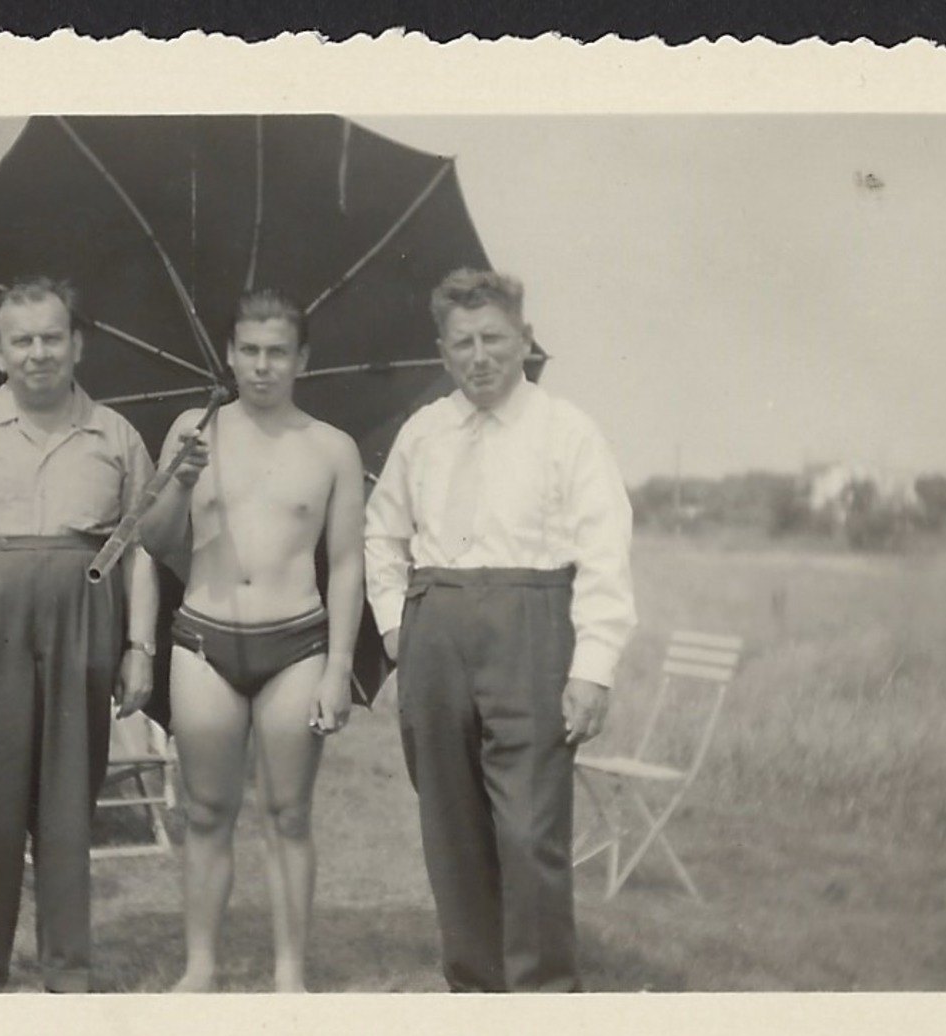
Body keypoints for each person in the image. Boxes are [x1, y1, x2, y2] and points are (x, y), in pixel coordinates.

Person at [364, 267, 636, 993]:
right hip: (435, 631)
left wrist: (593, 667)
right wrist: (397, 630)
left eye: (492, 339)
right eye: (462, 344)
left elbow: (605, 553)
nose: (478, 356)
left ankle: (543, 1001)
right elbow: (381, 535)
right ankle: (476, 997)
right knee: (451, 831)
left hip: (531, 627)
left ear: (522, 339)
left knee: (528, 832)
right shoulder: (423, 432)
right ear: (442, 352)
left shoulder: (566, 431)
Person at [0, 276, 159, 993]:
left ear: (76, 345)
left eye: (51, 337)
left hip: (82, 619)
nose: (37, 353)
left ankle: (66, 961)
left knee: (70, 790)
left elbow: (138, 549)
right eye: (22, 340)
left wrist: (140, 647)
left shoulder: (115, 435)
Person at [138, 290, 365, 992]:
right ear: (229, 354)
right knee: (205, 811)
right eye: (248, 351)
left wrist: (339, 669)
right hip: (203, 640)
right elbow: (151, 541)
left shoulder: (331, 448)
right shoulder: (191, 430)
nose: (261, 367)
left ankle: (289, 975)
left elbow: (348, 563)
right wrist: (178, 482)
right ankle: (199, 967)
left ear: (301, 360)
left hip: (295, 642)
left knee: (288, 813)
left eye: (277, 353)